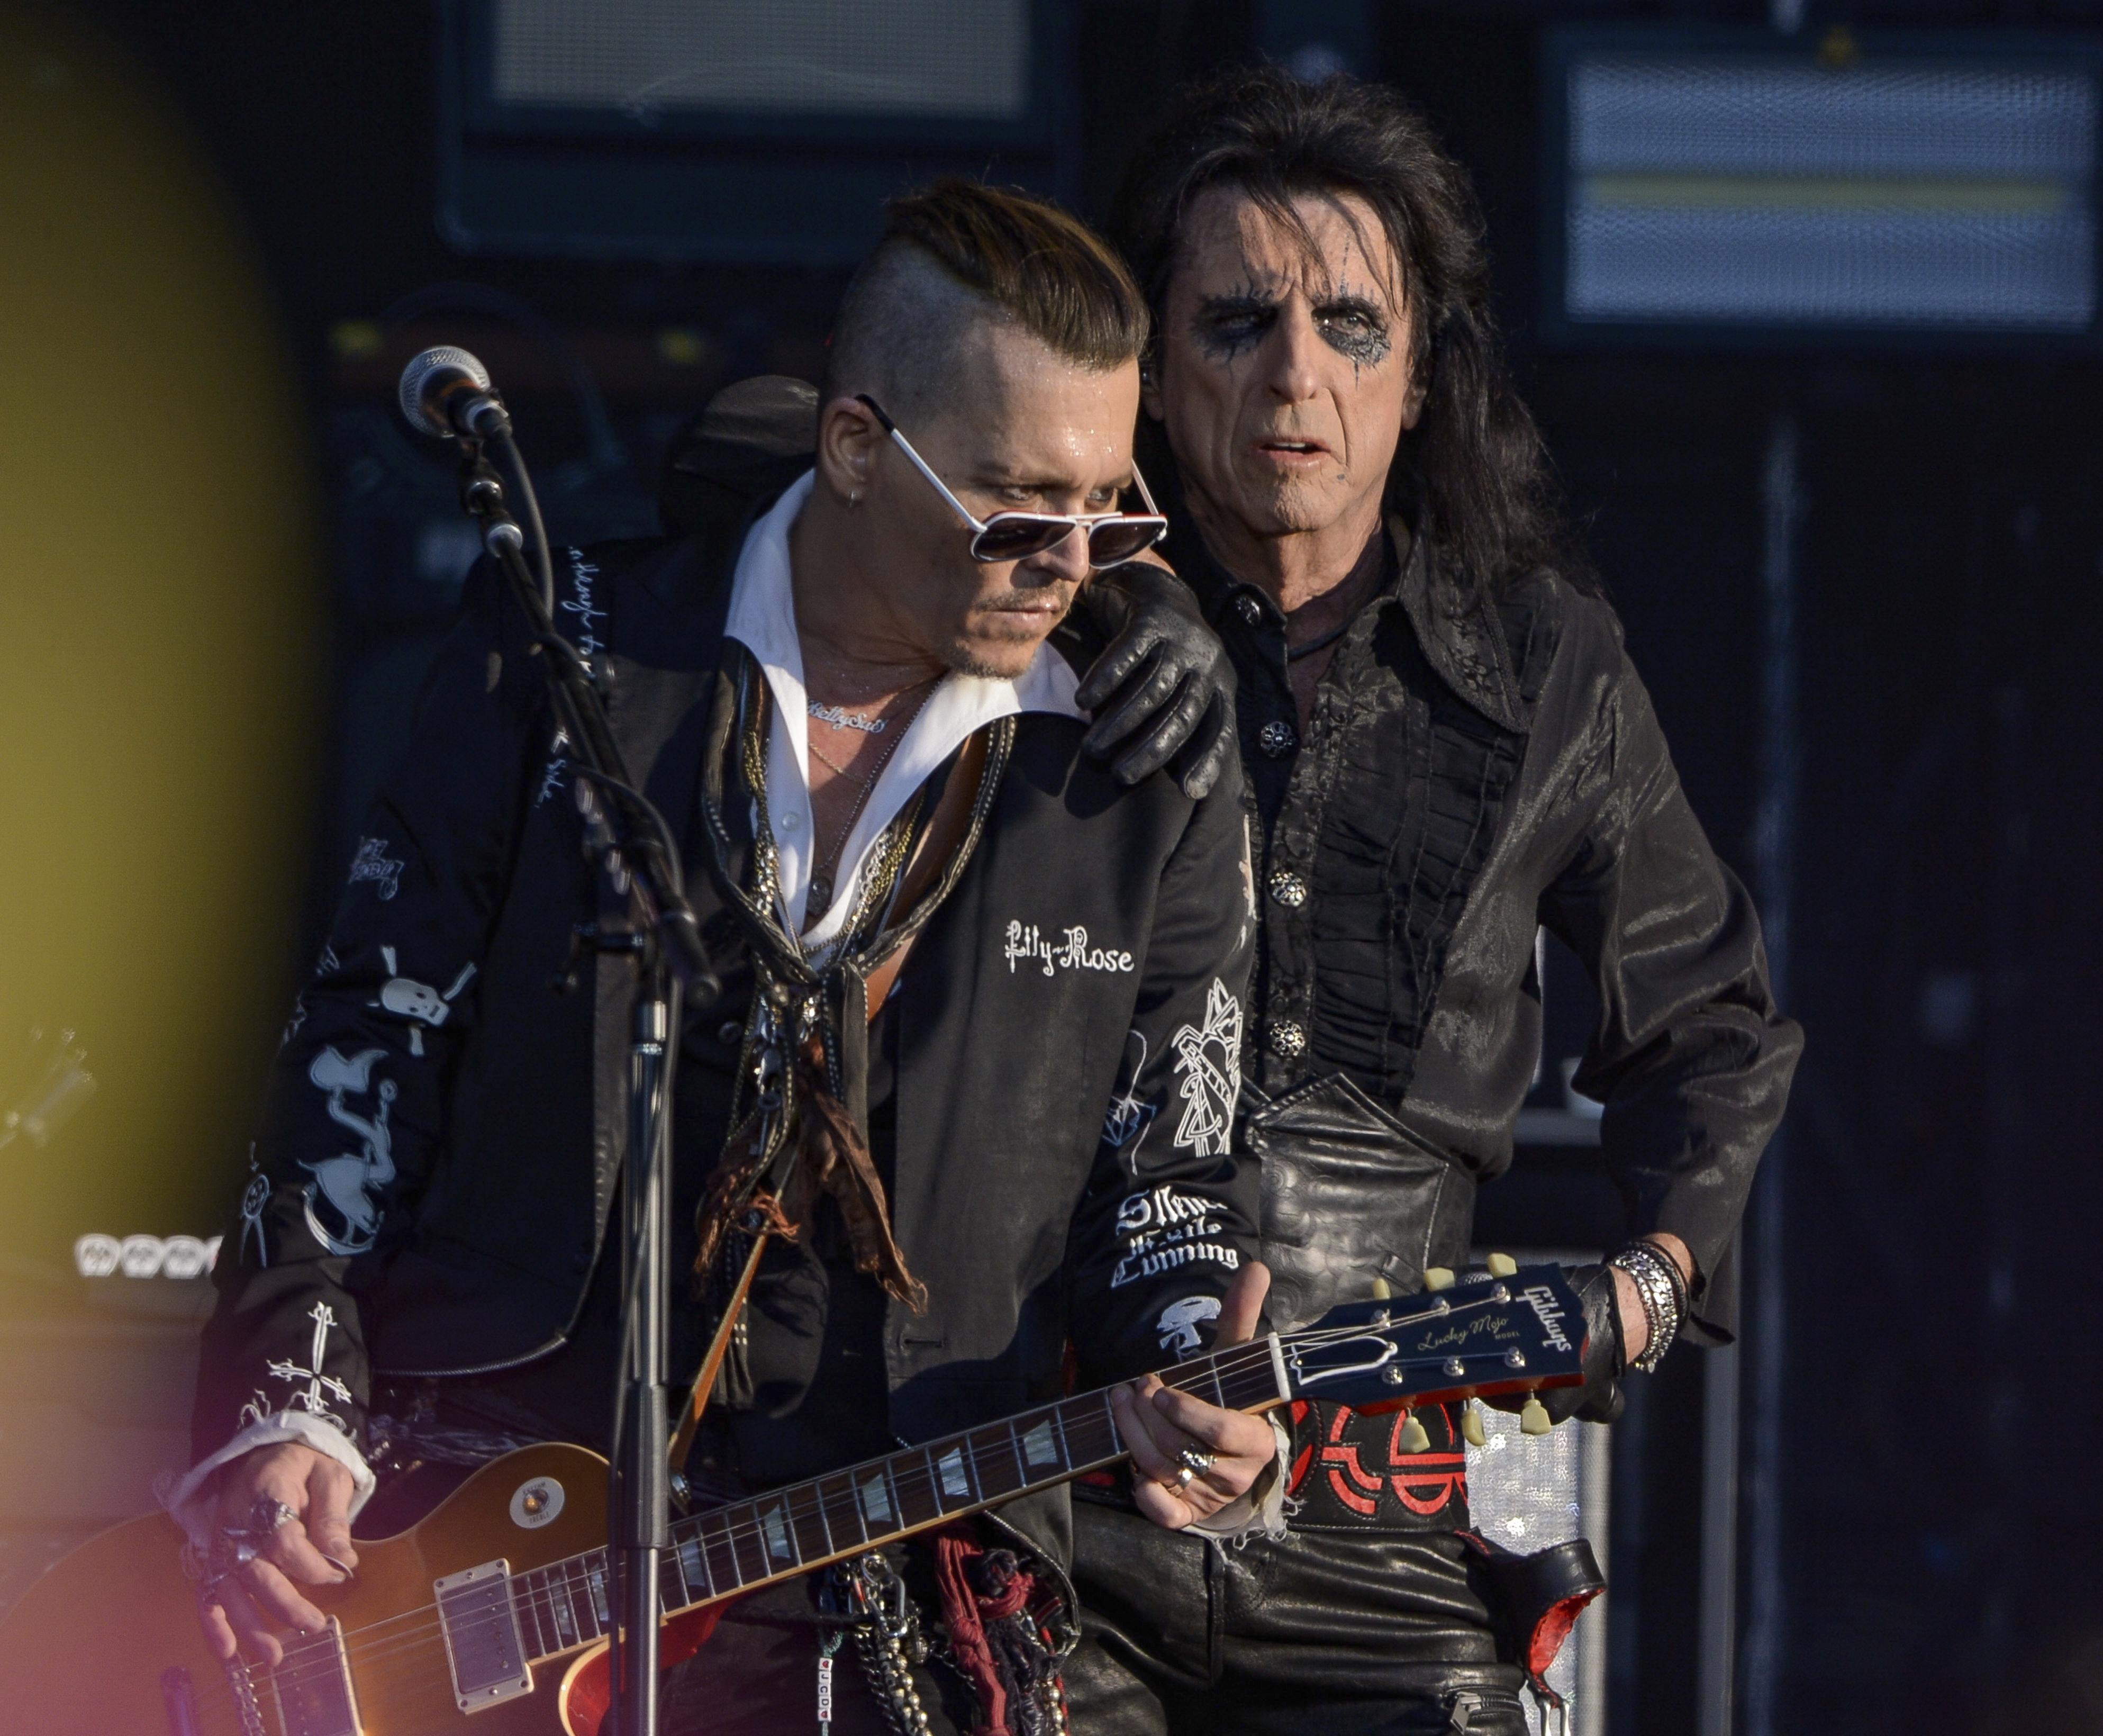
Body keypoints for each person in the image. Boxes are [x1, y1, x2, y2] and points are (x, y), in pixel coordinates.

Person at [173, 179, 1279, 1735]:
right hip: (484, 1523)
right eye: (1021, 512)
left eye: (1116, 512)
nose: (1073, 563)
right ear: (850, 450)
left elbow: (1165, 1176)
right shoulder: (572, 650)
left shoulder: (1133, 768)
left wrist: (1190, 1374)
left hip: (890, 1556)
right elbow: (371, 1040)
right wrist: (291, 1403)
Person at [1056, 69, 1806, 1735]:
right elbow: (774, 453)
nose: (1295, 377)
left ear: (1423, 379)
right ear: (1151, 375)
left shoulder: (1548, 661)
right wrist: (1113, 586)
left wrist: (1656, 1281)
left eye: (1350, 326)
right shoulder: (1035, 618)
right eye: (1237, 321)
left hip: (1413, 1461)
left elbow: (1709, 1025)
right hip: (1074, 1460)